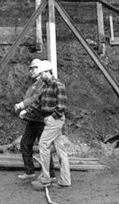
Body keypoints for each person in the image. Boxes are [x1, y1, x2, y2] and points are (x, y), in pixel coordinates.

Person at [30, 60, 71, 189]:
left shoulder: (58, 85)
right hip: (51, 119)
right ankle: (65, 180)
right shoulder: (46, 86)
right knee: (60, 149)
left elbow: (62, 105)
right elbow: (38, 102)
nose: (40, 76)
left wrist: (52, 118)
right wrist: (26, 111)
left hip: (54, 120)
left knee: (43, 144)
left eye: (42, 74)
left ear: (48, 72)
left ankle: (46, 178)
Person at [13, 58, 47, 181]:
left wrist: (23, 107)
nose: (32, 71)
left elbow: (36, 100)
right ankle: (29, 171)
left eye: (35, 68)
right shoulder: (35, 83)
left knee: (44, 147)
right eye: (31, 68)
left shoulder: (42, 84)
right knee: (25, 144)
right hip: (33, 119)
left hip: (41, 119)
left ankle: (50, 174)